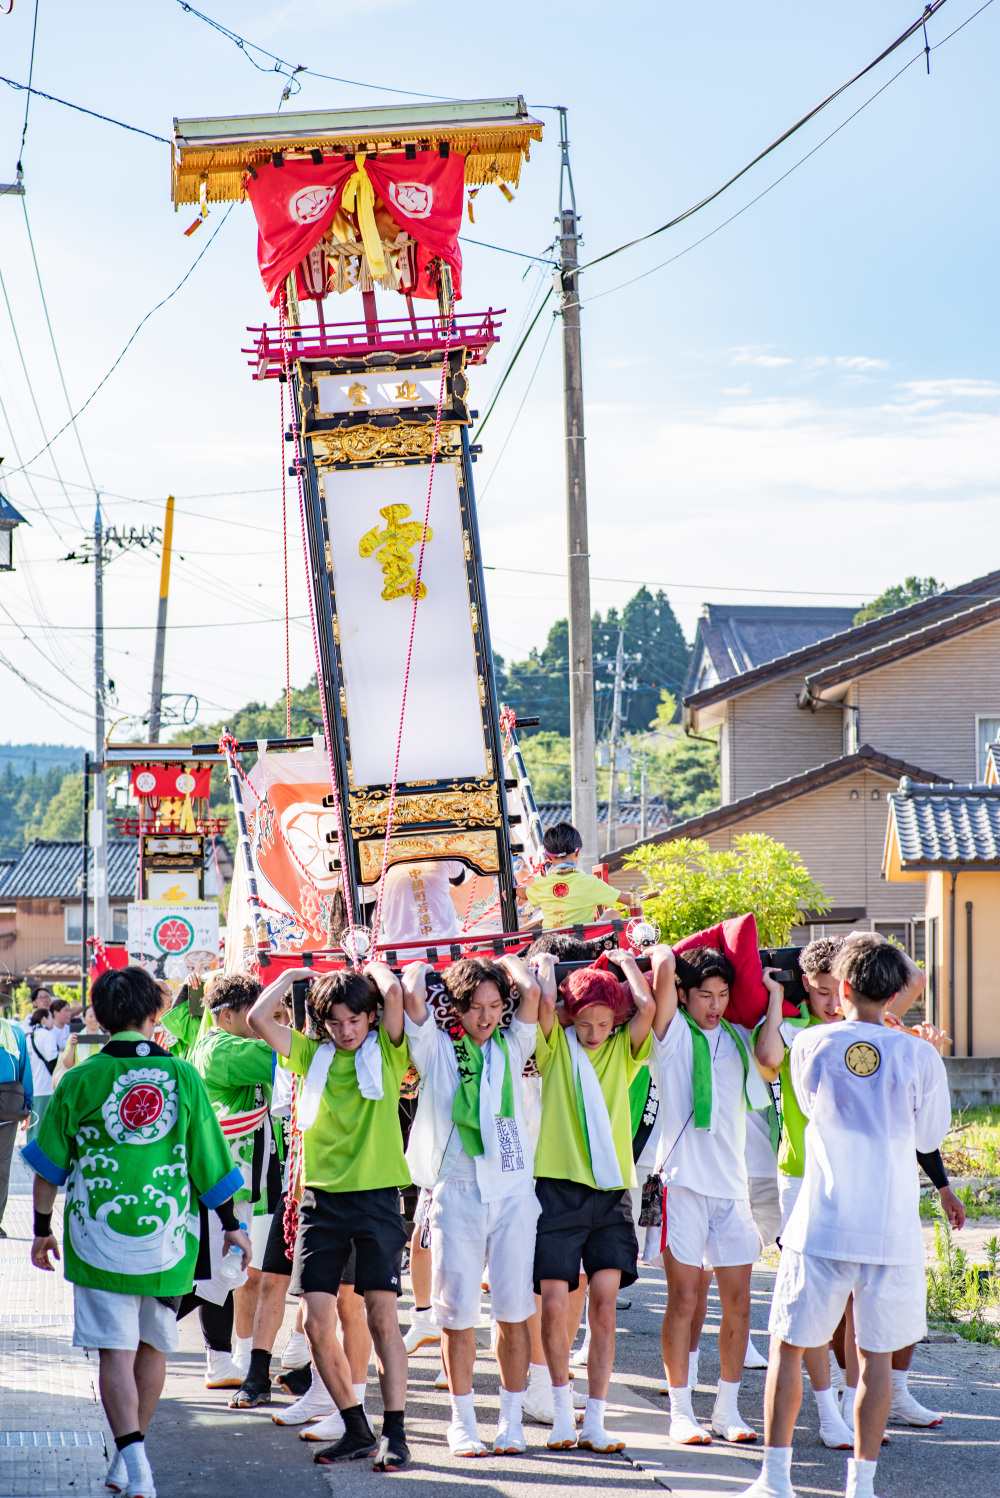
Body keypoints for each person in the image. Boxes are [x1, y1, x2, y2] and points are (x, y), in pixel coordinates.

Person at [23, 965, 250, 1498]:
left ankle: (134, 1460)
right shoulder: (183, 1076)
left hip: (96, 1234)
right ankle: (133, 1457)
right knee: (154, 1345)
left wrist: (39, 1230)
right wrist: (232, 1224)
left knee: (114, 1353)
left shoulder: (78, 1079)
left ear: (98, 1016)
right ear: (154, 1014)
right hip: (168, 1236)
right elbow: (210, 1160)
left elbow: (48, 1166)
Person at [738, 933, 952, 1498]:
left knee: (789, 1346)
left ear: (846, 986)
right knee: (874, 1357)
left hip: (822, 1222)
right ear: (897, 990)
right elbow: (929, 1136)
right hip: (892, 1230)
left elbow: (808, 1112)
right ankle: (862, 1486)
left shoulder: (811, 1044)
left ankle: (775, 1479)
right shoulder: (921, 1052)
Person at [248, 962, 412, 1472]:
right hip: (321, 1201)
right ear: (323, 1022)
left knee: (382, 1318)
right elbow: (257, 1017)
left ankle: (397, 1434)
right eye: (336, 1022)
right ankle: (356, 1428)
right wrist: (294, 975)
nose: (346, 1031)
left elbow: (395, 998)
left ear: (370, 1019)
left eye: (355, 1021)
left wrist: (371, 966)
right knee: (318, 1322)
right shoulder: (308, 1054)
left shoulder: (387, 1051)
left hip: (379, 1198)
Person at [402, 953, 540, 1457]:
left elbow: (533, 993)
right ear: (456, 1008)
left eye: (494, 1006)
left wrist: (508, 963)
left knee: (513, 1310)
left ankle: (511, 1420)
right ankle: (461, 1422)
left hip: (511, 1192)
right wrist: (425, 961)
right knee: (457, 1313)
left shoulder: (513, 1043)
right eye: (476, 1007)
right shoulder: (438, 1047)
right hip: (455, 1188)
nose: (486, 1017)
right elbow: (412, 993)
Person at [651, 945, 777, 1446]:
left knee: (741, 1302)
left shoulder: (737, 1038)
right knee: (683, 1300)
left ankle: (727, 1410)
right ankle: (681, 1411)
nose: (715, 1005)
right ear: (684, 995)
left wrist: (776, 994)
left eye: (724, 995)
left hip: (732, 1187)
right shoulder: (674, 1033)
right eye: (705, 994)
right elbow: (663, 972)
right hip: (682, 1183)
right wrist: (661, 948)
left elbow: (771, 1060)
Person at [533, 948, 656, 1453]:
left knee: (605, 1309)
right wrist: (544, 966)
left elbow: (646, 1007)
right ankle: (563, 1412)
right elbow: (541, 1003)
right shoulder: (556, 1047)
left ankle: (597, 1419)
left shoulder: (622, 1051)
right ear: (571, 1017)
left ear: (615, 1020)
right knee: (556, 1305)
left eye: (604, 1022)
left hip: (609, 1194)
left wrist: (626, 964)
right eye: (584, 1022)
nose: (594, 1032)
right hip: (556, 1189)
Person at [188, 974, 283, 1386]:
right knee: (216, 1276)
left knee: (224, 1275)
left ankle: (221, 1361)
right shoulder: (222, 1048)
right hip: (229, 1179)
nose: (261, 1022)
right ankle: (140, 1329)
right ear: (227, 1016)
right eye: (254, 1015)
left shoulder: (215, 1040)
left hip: (237, 1178)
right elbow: (282, 1055)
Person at [523, 823, 629, 931]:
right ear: (578, 852)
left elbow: (523, 893)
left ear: (548, 857)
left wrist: (511, 892)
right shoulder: (591, 883)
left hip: (549, 942)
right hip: (582, 944)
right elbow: (630, 900)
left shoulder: (541, 884)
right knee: (613, 913)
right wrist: (634, 898)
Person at [378, 859, 469, 945]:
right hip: (446, 949)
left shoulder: (376, 863)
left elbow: (366, 923)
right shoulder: (439, 848)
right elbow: (458, 878)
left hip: (399, 954)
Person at [0, 1008, 32, 1237]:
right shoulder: (15, 1034)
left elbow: (24, 1071)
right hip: (8, 1105)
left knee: (2, 1167)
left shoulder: (16, 1034)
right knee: (1, 1168)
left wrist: (27, 1106)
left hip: (7, 1106)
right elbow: (24, 1071)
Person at [25, 1008, 59, 1144]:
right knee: (43, 1126)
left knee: (32, 1125)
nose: (52, 1022)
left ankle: (27, 1154)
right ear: (44, 1019)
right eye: (51, 1018)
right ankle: (37, 1157)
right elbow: (52, 1057)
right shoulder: (48, 1035)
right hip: (46, 1086)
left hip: (32, 1086)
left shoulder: (30, 1036)